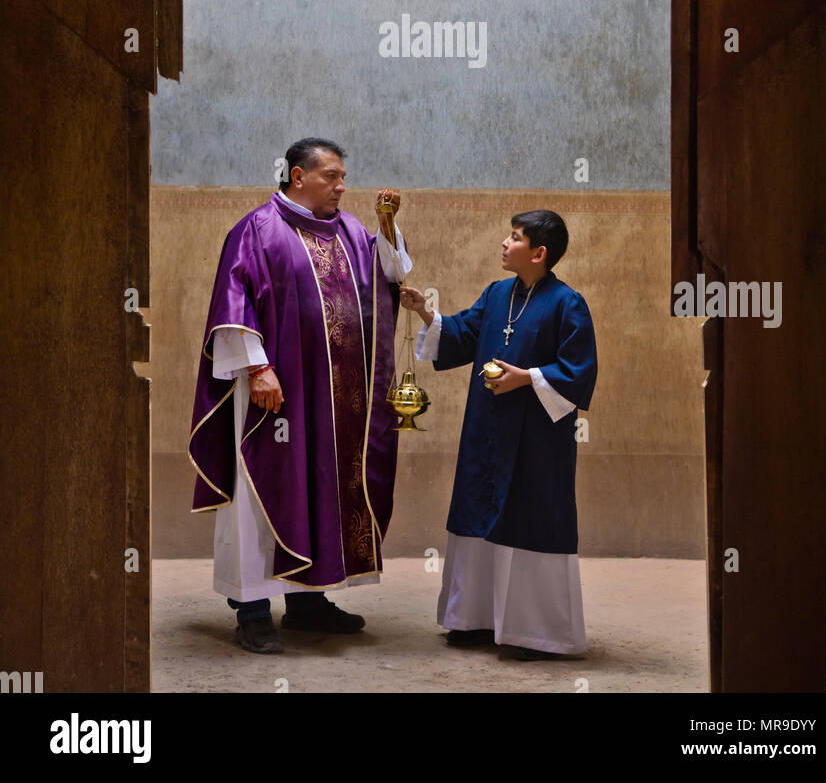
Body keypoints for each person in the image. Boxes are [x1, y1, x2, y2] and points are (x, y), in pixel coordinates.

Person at [189, 137, 411, 654]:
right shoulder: (258, 229)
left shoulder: (353, 230)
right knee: (262, 493)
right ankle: (252, 610)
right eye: (332, 176)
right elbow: (232, 300)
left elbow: (391, 276)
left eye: (342, 177)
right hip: (278, 396)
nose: (341, 186)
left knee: (324, 490)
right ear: (297, 176)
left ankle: (309, 600)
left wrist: (385, 229)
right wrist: (258, 367)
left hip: (338, 402)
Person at [400, 209, 597, 661]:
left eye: (515, 238)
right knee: (477, 508)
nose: (505, 244)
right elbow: (465, 333)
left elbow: (579, 371)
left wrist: (526, 377)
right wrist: (425, 312)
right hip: (486, 429)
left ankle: (534, 631)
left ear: (539, 253)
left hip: (536, 439)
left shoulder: (568, 304)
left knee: (529, 516)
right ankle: (472, 619)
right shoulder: (497, 293)